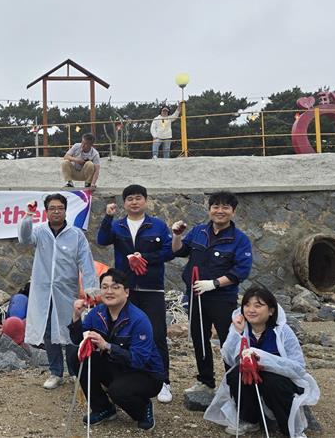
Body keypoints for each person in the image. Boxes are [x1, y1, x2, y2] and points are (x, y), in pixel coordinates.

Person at [204, 287, 320, 437]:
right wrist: (237, 333)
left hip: (280, 384)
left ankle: (288, 427)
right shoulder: (242, 329)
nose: (251, 310)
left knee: (271, 380)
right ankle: (250, 419)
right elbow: (229, 358)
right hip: (251, 381)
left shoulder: (282, 332)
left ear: (271, 310)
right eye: (247, 305)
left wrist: (264, 360)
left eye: (258, 306)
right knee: (236, 374)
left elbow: (298, 367)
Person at [96, 184, 175, 402]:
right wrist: (107, 218)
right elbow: (102, 240)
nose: (134, 202)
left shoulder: (157, 225)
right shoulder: (118, 225)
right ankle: (130, 376)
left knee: (157, 334)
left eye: (138, 198)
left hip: (152, 288)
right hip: (125, 290)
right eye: (130, 198)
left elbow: (169, 252)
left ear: (145, 201)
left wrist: (144, 258)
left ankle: (163, 381)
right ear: (124, 203)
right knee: (125, 334)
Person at [171, 191, 253, 395]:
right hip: (196, 296)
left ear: (233, 211)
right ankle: (206, 381)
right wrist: (177, 235)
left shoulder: (240, 239)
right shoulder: (199, 231)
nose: (220, 211)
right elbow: (179, 251)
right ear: (209, 210)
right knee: (199, 338)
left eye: (225, 207)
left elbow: (241, 271)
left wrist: (214, 284)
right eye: (216, 206)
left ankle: (233, 385)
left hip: (223, 298)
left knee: (228, 340)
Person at [18, 193, 98, 389]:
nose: (56, 212)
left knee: (71, 331)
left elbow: (86, 263)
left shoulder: (76, 235)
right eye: (52, 208)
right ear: (46, 211)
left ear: (65, 211)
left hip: (67, 291)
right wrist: (28, 216)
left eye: (60, 208)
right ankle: (55, 372)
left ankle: (74, 371)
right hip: (43, 291)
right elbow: (24, 238)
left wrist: (91, 289)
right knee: (48, 331)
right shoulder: (40, 232)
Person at [69, 268, 165, 431]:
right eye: (105, 287)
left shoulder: (139, 319)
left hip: (146, 373)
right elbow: (78, 340)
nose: (109, 291)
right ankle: (103, 408)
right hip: (117, 365)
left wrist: (106, 346)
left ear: (126, 292)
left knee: (118, 391)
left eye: (115, 287)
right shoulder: (97, 313)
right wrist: (76, 316)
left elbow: (139, 360)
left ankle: (143, 409)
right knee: (76, 356)